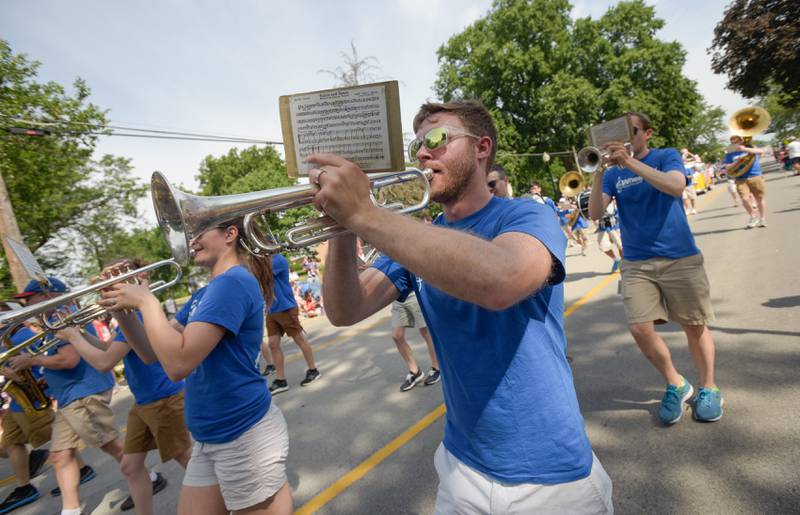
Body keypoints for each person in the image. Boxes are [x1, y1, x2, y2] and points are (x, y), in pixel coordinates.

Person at [308, 100, 612, 513]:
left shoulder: (524, 214)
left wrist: (363, 211)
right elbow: (345, 310)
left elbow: (502, 280)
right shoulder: (419, 239)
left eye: (436, 139)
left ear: (481, 147)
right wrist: (343, 226)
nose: (421, 153)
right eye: (417, 145)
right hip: (460, 464)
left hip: (550, 475)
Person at [100, 218, 292, 515]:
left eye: (199, 233)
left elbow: (178, 364)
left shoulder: (234, 282)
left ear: (230, 234)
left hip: (243, 437)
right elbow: (151, 353)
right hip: (210, 437)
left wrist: (147, 302)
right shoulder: (206, 292)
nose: (191, 241)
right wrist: (123, 309)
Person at [588, 111, 724, 425]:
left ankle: (709, 387)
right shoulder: (612, 174)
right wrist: (597, 171)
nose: (624, 140)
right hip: (636, 262)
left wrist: (630, 162)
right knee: (639, 328)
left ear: (647, 133)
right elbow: (596, 213)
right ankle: (676, 382)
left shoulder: (666, 157)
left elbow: (676, 186)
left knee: (694, 326)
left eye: (631, 131)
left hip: (679, 256)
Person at [58, 260, 189, 515]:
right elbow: (110, 349)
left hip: (163, 398)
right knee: (130, 466)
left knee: (187, 459)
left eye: (113, 281)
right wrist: (79, 332)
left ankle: (230, 500)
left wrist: (73, 337)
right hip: (145, 401)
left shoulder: (137, 313)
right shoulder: (127, 317)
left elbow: (104, 362)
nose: (106, 289)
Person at [7, 277, 125, 515]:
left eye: (31, 298)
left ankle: (149, 477)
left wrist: (32, 360)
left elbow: (69, 360)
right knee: (60, 456)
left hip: (83, 392)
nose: (27, 303)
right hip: (70, 395)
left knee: (110, 445)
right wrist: (44, 376)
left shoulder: (62, 318)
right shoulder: (54, 320)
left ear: (48, 296)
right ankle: (70, 511)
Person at [0, 315, 55, 514]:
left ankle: (81, 469)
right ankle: (25, 487)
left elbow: (41, 362)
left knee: (57, 439)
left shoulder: (21, 335)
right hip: (15, 398)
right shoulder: (3, 338)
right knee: (10, 443)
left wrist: (20, 377)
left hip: (29, 395)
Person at [263, 253, 321, 395]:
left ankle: (313, 370)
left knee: (299, 338)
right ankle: (281, 380)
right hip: (271, 309)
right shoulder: (260, 261)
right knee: (273, 344)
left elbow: (261, 274)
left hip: (285, 307)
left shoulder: (277, 259)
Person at [390, 293, 440, 392]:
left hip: (414, 294)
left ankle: (436, 367)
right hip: (397, 298)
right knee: (397, 336)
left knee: (425, 331)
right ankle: (415, 371)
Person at [723, 135, 767, 228]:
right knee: (744, 198)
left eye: (737, 140)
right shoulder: (729, 153)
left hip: (755, 175)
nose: (735, 142)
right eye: (733, 141)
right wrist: (737, 161)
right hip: (740, 178)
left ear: (741, 140)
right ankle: (753, 216)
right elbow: (727, 167)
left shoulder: (750, 147)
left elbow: (761, 151)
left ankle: (762, 218)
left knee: (759, 198)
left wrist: (745, 149)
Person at [596, 199, 623, 273]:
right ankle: (616, 260)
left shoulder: (613, 198)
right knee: (603, 247)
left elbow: (610, 211)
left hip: (615, 226)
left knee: (621, 246)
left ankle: (624, 264)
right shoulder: (596, 198)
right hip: (602, 228)